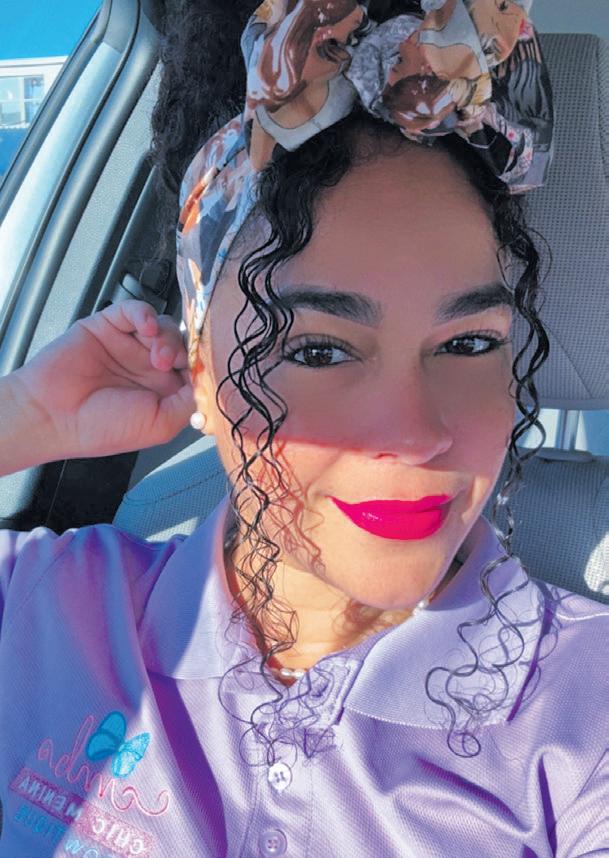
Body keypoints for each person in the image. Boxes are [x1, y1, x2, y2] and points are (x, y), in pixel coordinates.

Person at [0, 1, 607, 856]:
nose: (413, 437)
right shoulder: (38, 610)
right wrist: (20, 418)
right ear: (200, 367)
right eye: (318, 350)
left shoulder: (584, 716)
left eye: (468, 343)